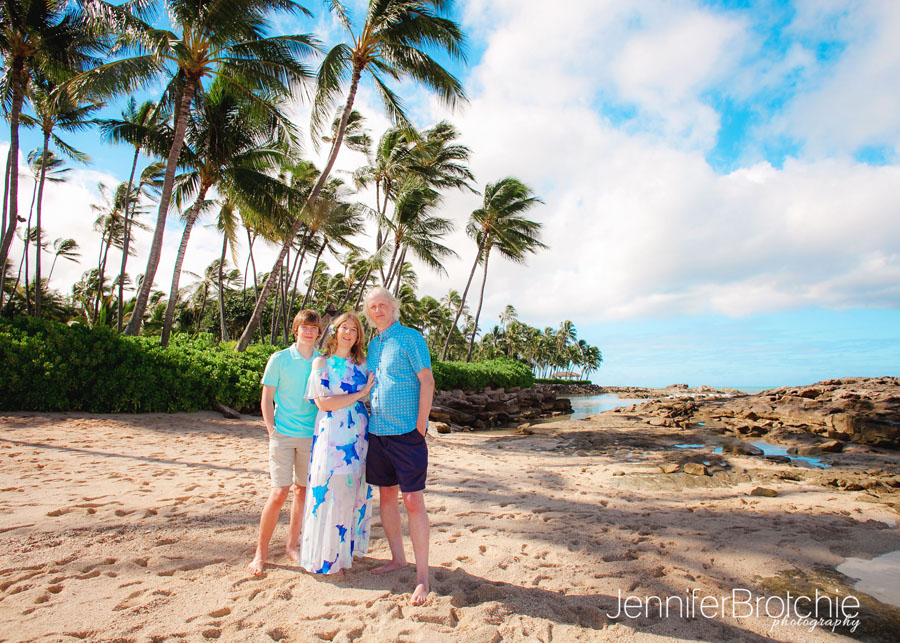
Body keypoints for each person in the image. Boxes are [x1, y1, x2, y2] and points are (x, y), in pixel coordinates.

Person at [364, 287, 435, 605]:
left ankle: (423, 579)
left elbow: (427, 381)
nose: (377, 310)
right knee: (387, 497)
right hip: (377, 432)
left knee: (413, 502)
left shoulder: (410, 337)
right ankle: (397, 558)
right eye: (372, 306)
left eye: (382, 305)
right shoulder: (372, 345)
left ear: (393, 307)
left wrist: (420, 428)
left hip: (407, 433)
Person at [248, 310, 322, 576]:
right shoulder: (279, 358)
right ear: (296, 329)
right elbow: (266, 398)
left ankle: (292, 546)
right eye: (305, 327)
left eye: (314, 328)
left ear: (318, 332)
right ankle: (261, 554)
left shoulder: (322, 361)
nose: (309, 331)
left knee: (302, 491)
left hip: (310, 437)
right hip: (282, 435)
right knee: (279, 493)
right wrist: (271, 430)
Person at [300, 312, 375, 574]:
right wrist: (360, 394)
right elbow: (323, 402)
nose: (348, 332)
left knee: (349, 492)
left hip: (357, 436)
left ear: (358, 337)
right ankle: (322, 557)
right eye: (344, 327)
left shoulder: (363, 365)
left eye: (354, 329)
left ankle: (343, 556)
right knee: (327, 491)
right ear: (335, 331)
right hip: (331, 435)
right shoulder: (321, 363)